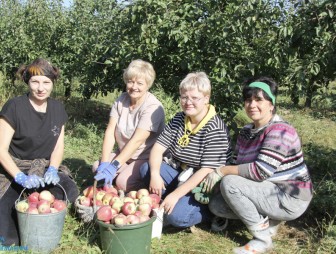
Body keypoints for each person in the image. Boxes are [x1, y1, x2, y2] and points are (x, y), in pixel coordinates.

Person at [204, 77, 313, 254]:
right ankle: (270, 220)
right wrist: (216, 183)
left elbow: (260, 171)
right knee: (216, 205)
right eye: (248, 100)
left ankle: (262, 239)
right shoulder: (247, 131)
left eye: (259, 99)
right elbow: (236, 162)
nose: (252, 104)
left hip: (290, 197)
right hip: (267, 190)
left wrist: (221, 171)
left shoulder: (280, 131)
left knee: (230, 183)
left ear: (272, 104)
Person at [0, 58, 79, 246]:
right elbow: (1, 149)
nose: (41, 88)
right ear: (27, 82)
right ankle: (23, 197)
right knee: (9, 238)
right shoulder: (14, 107)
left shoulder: (57, 109)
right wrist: (20, 177)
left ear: (53, 83)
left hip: (42, 167)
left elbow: (58, 147)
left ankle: (36, 199)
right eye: (35, 81)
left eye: (46, 82)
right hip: (15, 167)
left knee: (70, 190)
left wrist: (52, 168)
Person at [139, 71, 232, 228]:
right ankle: (173, 200)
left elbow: (206, 171)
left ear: (206, 99)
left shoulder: (215, 128)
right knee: (147, 169)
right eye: (184, 97)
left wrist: (175, 194)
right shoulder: (179, 118)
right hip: (182, 173)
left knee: (175, 217)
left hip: (204, 185)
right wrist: (155, 175)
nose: (188, 102)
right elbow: (157, 148)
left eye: (195, 98)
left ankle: (211, 211)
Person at [93, 59, 165, 192]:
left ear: (148, 85)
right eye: (131, 81)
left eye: (140, 83)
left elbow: (137, 141)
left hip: (143, 157)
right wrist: (104, 163)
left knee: (122, 182)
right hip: (123, 153)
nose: (134, 87)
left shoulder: (153, 107)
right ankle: (112, 189)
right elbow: (110, 131)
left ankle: (132, 186)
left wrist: (114, 165)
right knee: (96, 167)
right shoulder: (121, 100)